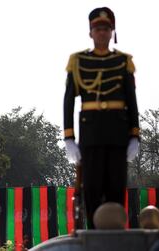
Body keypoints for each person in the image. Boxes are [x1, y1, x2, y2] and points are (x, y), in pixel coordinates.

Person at [63, 7, 140, 229]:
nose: (102, 33)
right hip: (91, 135)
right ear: (91, 33)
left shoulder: (123, 62)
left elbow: (132, 101)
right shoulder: (78, 62)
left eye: (106, 29)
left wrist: (135, 135)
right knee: (93, 189)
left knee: (116, 189)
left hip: (118, 134)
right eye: (98, 29)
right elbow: (69, 100)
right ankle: (95, 237)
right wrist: (69, 137)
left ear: (112, 31)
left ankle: (115, 238)